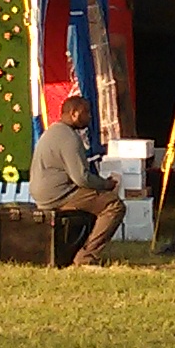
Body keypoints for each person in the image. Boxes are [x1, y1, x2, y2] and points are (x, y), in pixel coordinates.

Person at [27, 93, 124, 269]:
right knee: (113, 205)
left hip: (42, 193)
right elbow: (81, 178)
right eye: (86, 112)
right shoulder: (69, 138)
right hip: (60, 195)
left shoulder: (52, 132)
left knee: (95, 199)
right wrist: (106, 185)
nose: (90, 117)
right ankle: (86, 257)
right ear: (74, 114)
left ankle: (79, 248)